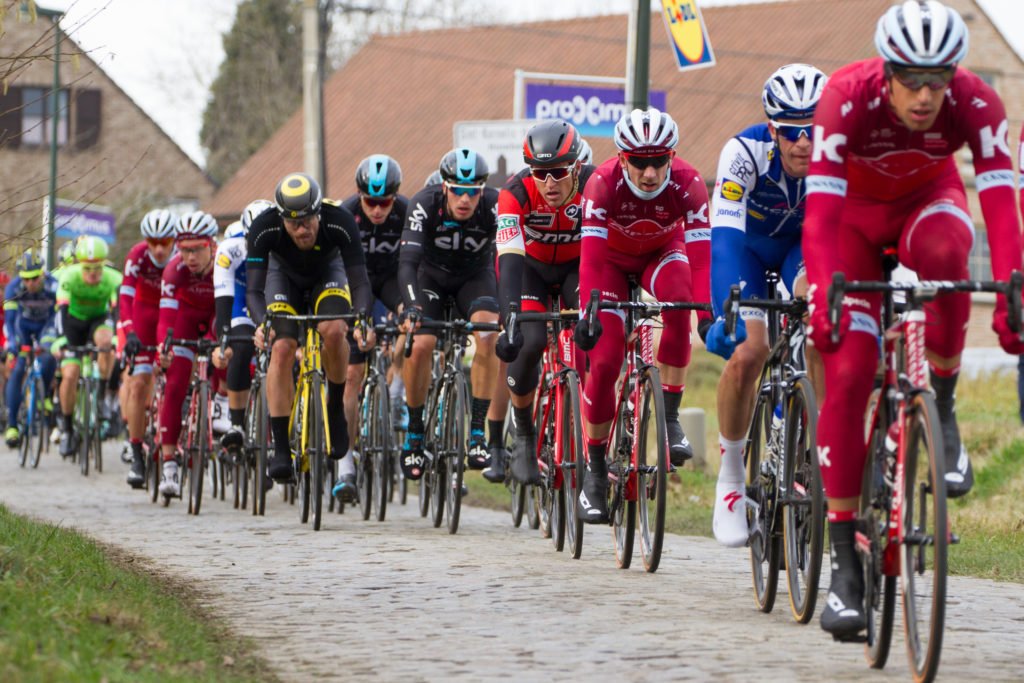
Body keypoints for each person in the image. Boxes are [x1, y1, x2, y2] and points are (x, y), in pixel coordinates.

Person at [803, 0, 1024, 637]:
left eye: (939, 80)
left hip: (930, 203)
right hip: (850, 223)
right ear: (887, 71)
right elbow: (818, 218)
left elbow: (1002, 206)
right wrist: (824, 294)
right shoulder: (845, 98)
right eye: (911, 79)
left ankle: (943, 404)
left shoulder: (976, 102)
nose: (926, 96)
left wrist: (1012, 287)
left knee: (952, 255)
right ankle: (845, 565)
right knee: (848, 377)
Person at [703, 63, 827, 547]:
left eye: (814, 130)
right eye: (792, 131)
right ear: (773, 129)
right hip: (748, 251)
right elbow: (725, 237)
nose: (804, 143)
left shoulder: (835, 158)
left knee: (818, 319)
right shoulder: (742, 153)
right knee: (750, 353)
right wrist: (727, 309)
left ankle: (812, 445)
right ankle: (731, 479)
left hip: (803, 247)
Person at [574, 108, 711, 523]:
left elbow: (702, 262)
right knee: (607, 359)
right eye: (638, 162)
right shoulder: (601, 185)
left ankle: (669, 417)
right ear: (621, 157)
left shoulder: (689, 184)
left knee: (680, 299)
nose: (650, 173)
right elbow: (592, 261)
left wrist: (704, 313)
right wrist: (589, 311)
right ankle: (595, 472)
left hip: (660, 254)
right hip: (611, 265)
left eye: (659, 161)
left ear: (672, 156)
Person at [246, 172, 371, 501]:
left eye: (309, 221)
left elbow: (359, 281)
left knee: (334, 328)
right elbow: (255, 291)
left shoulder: (339, 220)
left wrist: (360, 319)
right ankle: (281, 447)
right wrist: (263, 325)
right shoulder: (265, 226)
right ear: (282, 219)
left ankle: (333, 406)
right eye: (294, 223)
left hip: (326, 275)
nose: (303, 229)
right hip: (282, 278)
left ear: (319, 211)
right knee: (282, 346)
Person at [493, 119, 594, 484]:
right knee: (530, 340)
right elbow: (509, 258)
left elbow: (604, 254)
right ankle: (523, 434)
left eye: (559, 172)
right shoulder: (515, 192)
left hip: (577, 266)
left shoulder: (594, 186)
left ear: (577, 166)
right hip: (529, 268)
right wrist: (511, 317)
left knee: (593, 337)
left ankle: (595, 441)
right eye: (540, 173)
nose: (549, 183)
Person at [397, 148, 501, 480]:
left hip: (475, 277)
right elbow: (408, 264)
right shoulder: (424, 203)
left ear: (482, 190)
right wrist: (412, 304)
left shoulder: (495, 205)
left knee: (487, 334)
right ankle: (414, 433)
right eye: (458, 189)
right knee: (422, 343)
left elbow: (510, 257)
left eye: (473, 191)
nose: (465, 198)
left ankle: (476, 433)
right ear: (445, 187)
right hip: (431, 278)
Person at [339, 154, 409, 498]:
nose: (378, 210)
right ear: (359, 194)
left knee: (413, 322)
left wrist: (408, 308)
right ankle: (345, 462)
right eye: (371, 201)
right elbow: (336, 271)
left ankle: (395, 390)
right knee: (352, 374)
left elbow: (417, 263)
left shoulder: (408, 212)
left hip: (393, 281)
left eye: (385, 202)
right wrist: (355, 320)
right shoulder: (345, 213)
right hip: (356, 284)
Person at [155, 211, 219, 497]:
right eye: (184, 250)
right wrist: (163, 349)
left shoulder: (223, 266)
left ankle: (221, 412)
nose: (190, 256)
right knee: (176, 384)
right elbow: (166, 319)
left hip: (216, 320)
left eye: (197, 249)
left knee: (225, 362)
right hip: (185, 323)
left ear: (212, 245)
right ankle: (169, 463)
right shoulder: (174, 270)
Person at [119, 209, 177, 487]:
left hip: (171, 315)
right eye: (152, 241)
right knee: (139, 383)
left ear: (173, 240)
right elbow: (126, 296)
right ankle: (136, 452)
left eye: (164, 242)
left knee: (177, 373)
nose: (158, 248)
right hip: (143, 315)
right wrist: (129, 331)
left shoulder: (181, 257)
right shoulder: (137, 255)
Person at [213, 200, 275, 454]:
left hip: (272, 296)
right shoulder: (230, 249)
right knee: (238, 350)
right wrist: (224, 341)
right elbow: (224, 298)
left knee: (286, 352)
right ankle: (236, 424)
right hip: (241, 300)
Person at [54, 237, 122, 459]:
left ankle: (101, 396)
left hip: (97, 321)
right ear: (79, 264)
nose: (92, 273)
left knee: (105, 342)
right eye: (87, 268)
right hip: (72, 323)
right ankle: (66, 428)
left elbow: (117, 312)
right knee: (70, 374)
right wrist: (64, 340)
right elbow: (62, 312)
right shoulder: (69, 276)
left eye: (97, 268)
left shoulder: (113, 278)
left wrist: (116, 339)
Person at [3, 249, 58, 447]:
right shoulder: (13, 288)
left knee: (49, 355)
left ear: (42, 273)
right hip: (23, 327)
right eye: (26, 279)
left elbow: (58, 317)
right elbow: (9, 321)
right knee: (17, 369)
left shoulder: (53, 285)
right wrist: (12, 346)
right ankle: (12, 427)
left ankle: (43, 394)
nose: (31, 283)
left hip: (46, 325)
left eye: (35, 278)